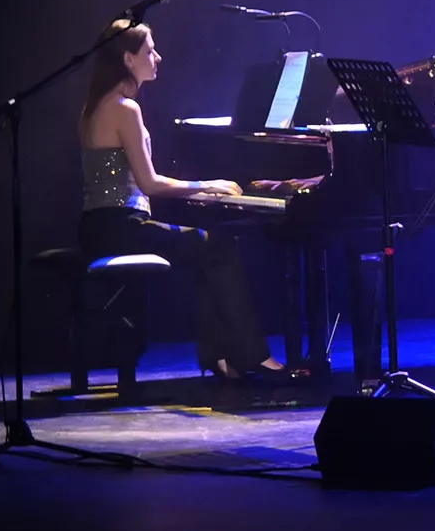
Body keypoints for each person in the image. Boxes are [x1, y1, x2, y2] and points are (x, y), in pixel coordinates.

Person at [79, 21, 286, 382]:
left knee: (205, 247)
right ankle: (252, 356)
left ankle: (220, 357)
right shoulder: (125, 108)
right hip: (122, 227)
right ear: (128, 59)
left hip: (98, 227)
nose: (158, 57)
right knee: (219, 248)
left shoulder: (94, 106)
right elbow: (150, 183)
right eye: (150, 51)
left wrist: (201, 190)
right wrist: (207, 184)